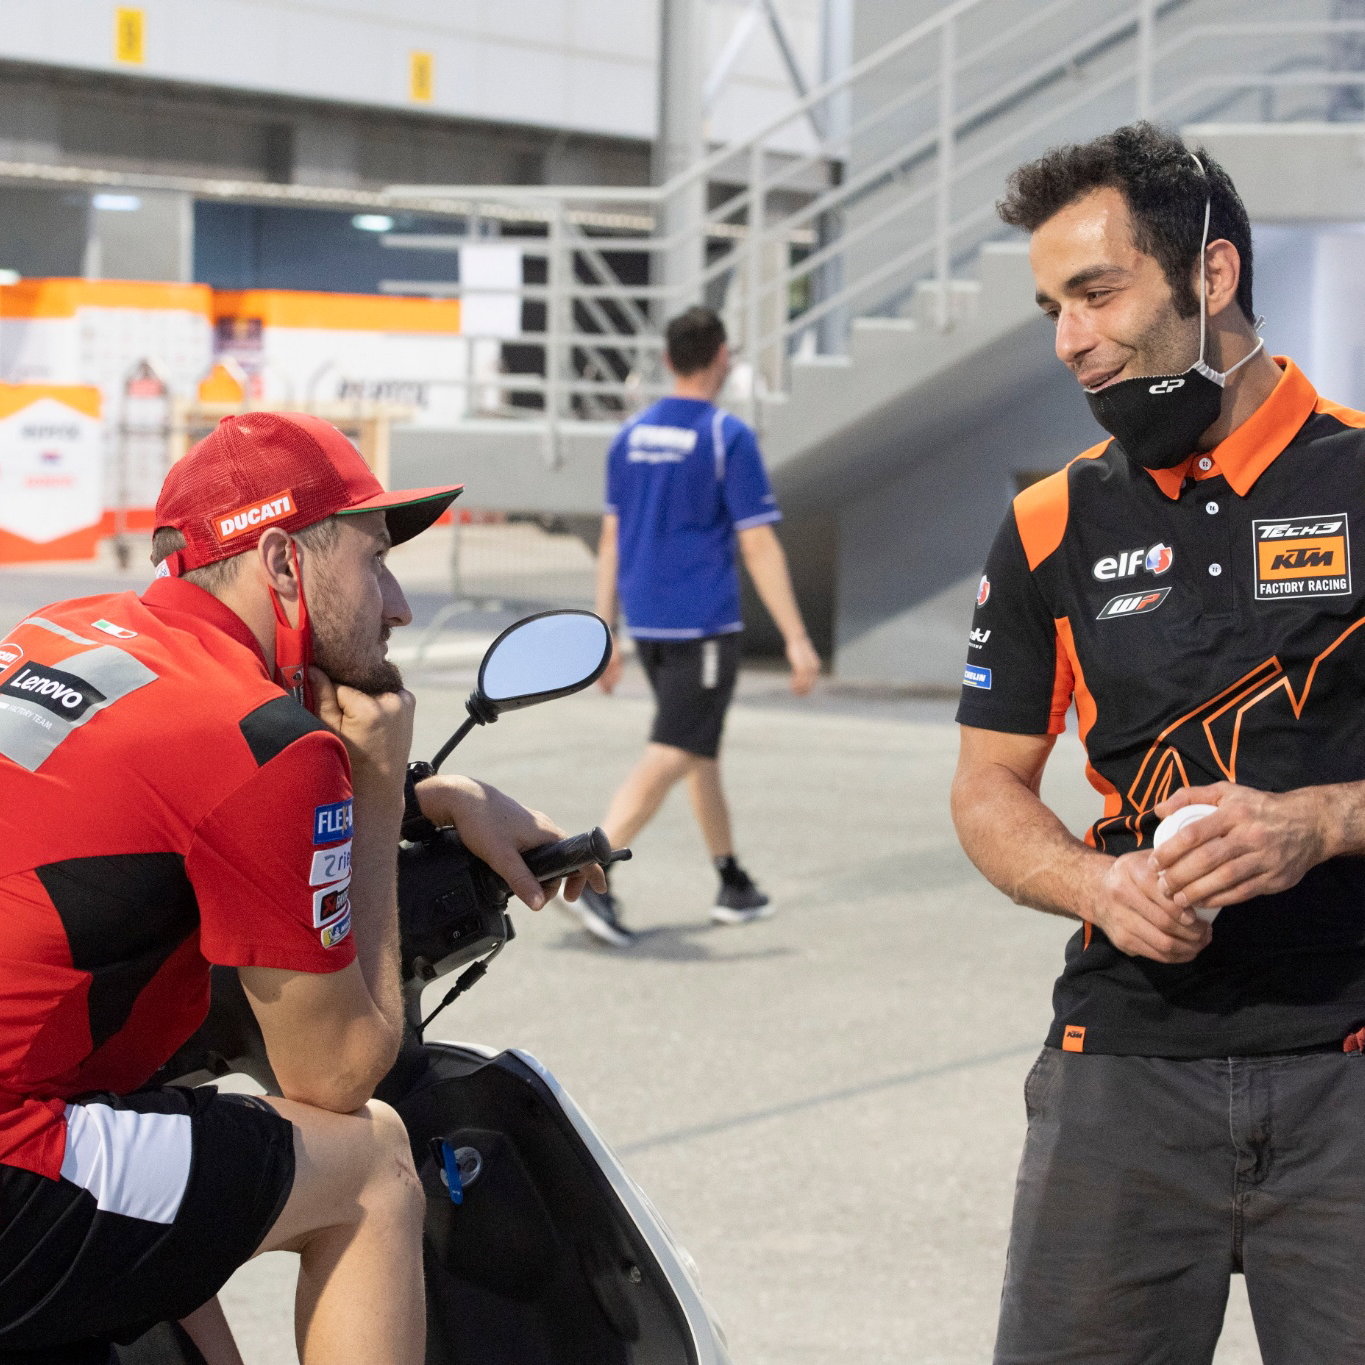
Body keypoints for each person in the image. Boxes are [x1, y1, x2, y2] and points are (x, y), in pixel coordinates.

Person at [0, 412, 602, 1363]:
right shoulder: (264, 741)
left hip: (48, 1100)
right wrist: (370, 782)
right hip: (11, 1163)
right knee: (366, 1165)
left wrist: (424, 798)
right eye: (375, 561)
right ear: (281, 561)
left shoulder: (66, 632)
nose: (398, 604)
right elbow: (334, 1071)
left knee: (186, 1175)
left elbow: (155, 795)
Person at [952, 121, 1365, 1363]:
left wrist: (1325, 822)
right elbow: (987, 787)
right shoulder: (1044, 526)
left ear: (1211, 275)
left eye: (1097, 290)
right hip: (1121, 1076)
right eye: (1051, 308)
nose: (1071, 337)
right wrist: (1097, 882)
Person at [565, 306, 821, 947]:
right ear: (720, 359)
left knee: (699, 748)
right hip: (703, 624)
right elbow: (759, 545)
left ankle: (731, 879)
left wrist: (608, 631)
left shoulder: (629, 436)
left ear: (668, 359)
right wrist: (796, 637)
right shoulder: (724, 436)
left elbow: (612, 537)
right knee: (678, 746)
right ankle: (594, 873)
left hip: (650, 627)